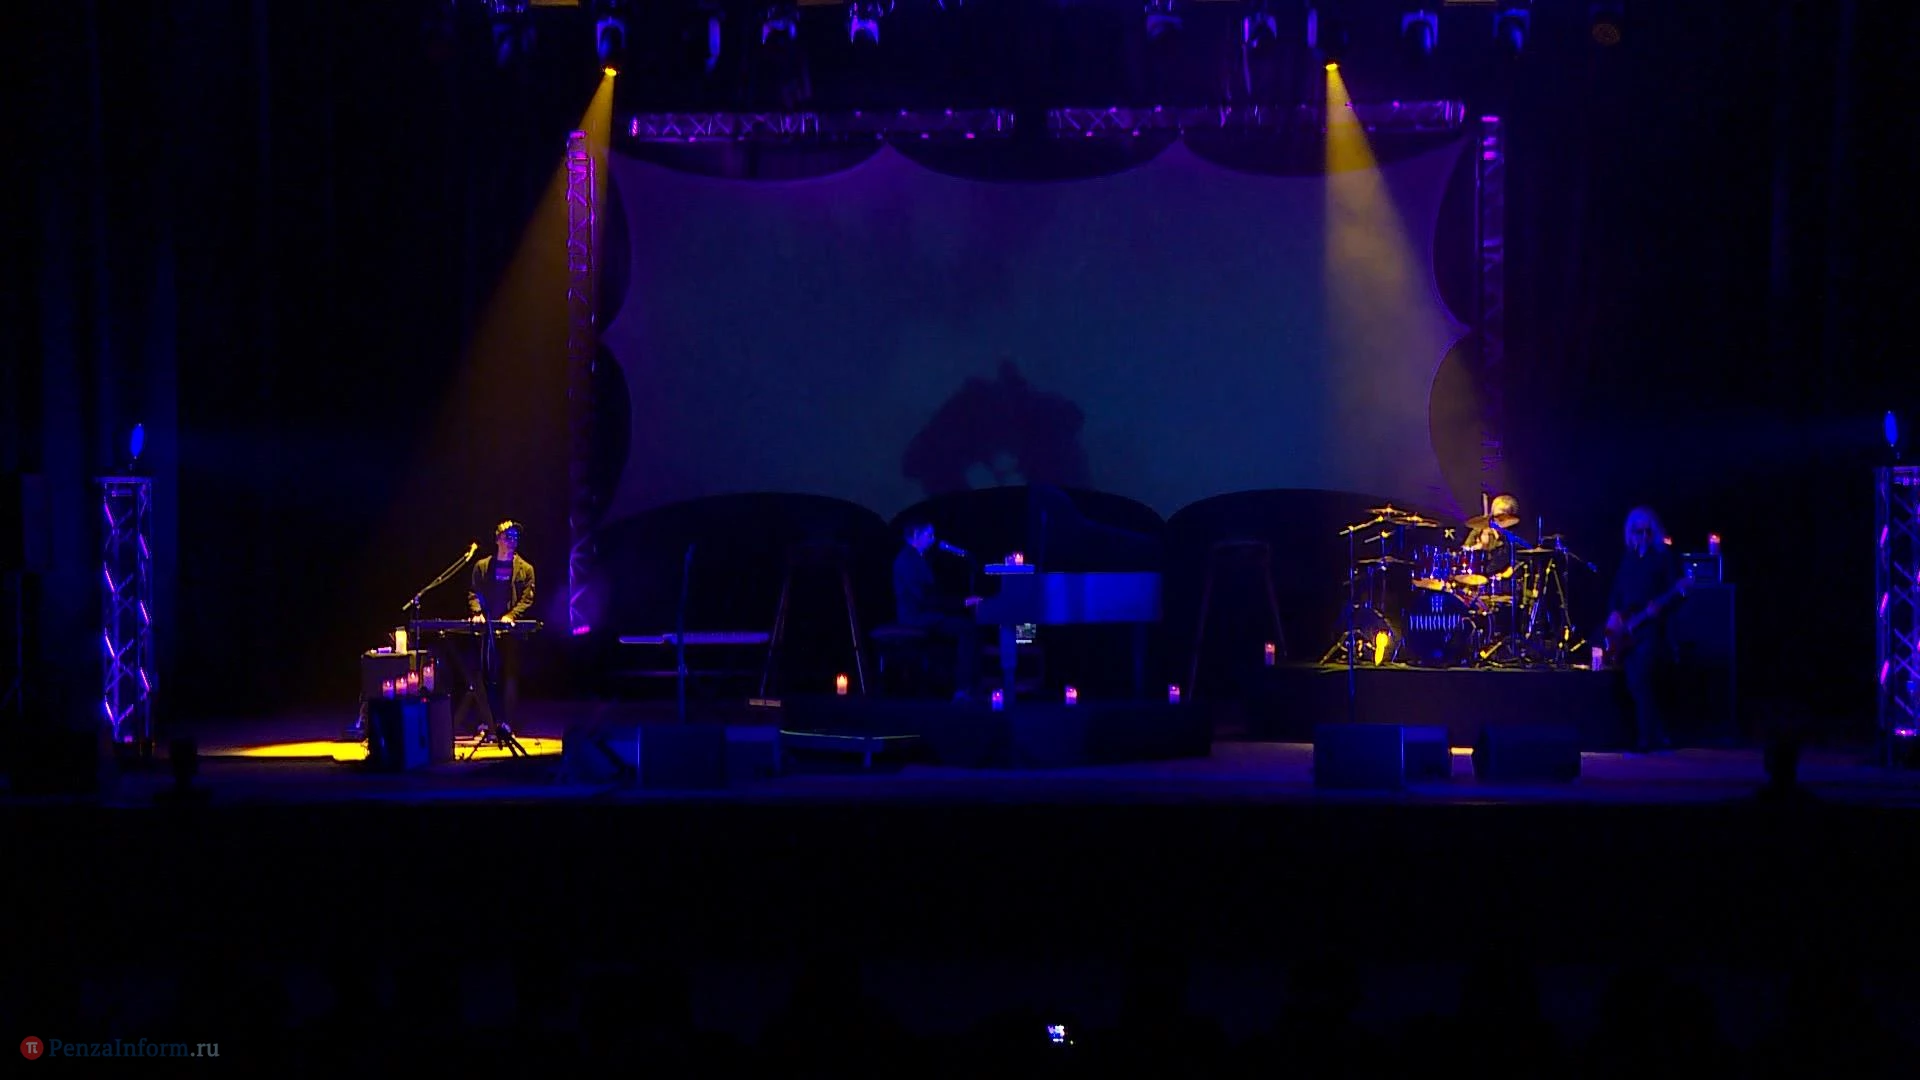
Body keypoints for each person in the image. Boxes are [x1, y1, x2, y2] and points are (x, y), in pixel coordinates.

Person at [1605, 506, 1682, 751]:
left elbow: (1676, 592)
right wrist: (1614, 614)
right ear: (1631, 533)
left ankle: (1646, 740)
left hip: (1651, 627)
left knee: (1641, 678)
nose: (1643, 536)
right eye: (1638, 531)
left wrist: (1659, 608)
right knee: (1633, 681)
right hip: (1628, 627)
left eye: (1648, 531)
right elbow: (1616, 591)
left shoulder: (1662, 558)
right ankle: (1660, 735)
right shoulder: (1628, 559)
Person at [892, 521, 983, 701]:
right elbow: (923, 599)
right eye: (929, 535)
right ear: (915, 535)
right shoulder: (907, 561)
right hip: (915, 617)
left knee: (968, 626)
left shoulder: (917, 558)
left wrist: (959, 602)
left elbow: (930, 595)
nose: (933, 539)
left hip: (923, 613)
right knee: (968, 629)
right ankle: (963, 689)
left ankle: (967, 686)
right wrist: (962, 602)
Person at [468, 519, 535, 734]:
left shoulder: (526, 569)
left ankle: (506, 722)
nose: (512, 540)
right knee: (486, 674)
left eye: (515, 537)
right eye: (508, 536)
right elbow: (474, 593)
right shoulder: (482, 567)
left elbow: (527, 598)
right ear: (498, 539)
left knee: (510, 676)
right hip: (487, 629)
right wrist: (477, 612)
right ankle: (487, 720)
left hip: (510, 631)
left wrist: (511, 615)